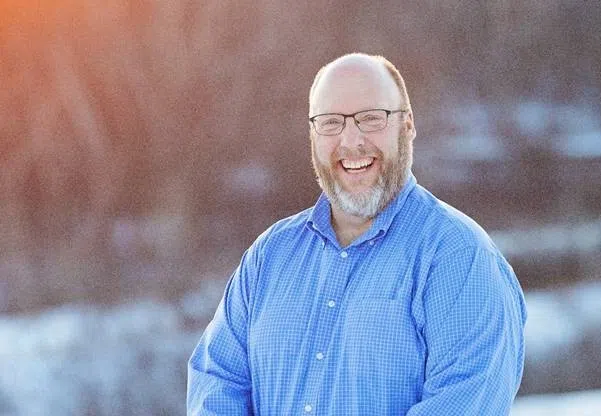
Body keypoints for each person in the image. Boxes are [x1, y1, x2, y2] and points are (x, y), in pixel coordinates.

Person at [187, 52, 527, 415]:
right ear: (313, 135)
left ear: (407, 126)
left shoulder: (459, 257)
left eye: (371, 118)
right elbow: (217, 381)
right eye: (331, 122)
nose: (351, 141)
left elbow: (462, 402)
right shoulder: (269, 255)